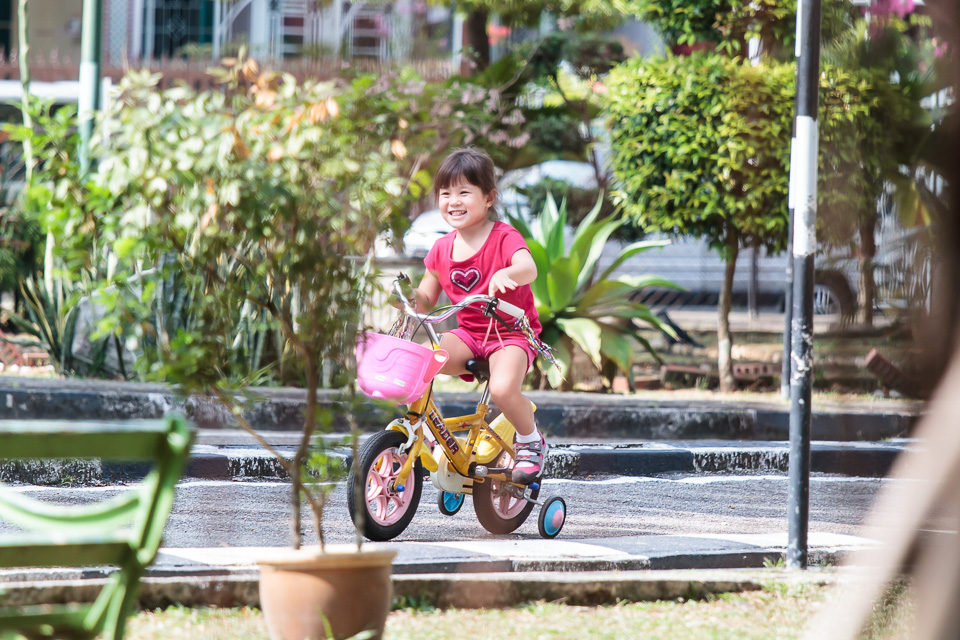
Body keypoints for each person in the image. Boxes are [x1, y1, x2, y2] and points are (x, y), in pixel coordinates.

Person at [408, 147, 547, 484]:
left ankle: (531, 441)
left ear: (489, 198)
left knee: (502, 389)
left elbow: (528, 268)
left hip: (510, 335)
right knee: (417, 364)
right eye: (445, 193)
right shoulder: (441, 248)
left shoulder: (504, 237)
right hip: (469, 335)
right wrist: (406, 298)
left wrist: (508, 273)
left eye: (464, 192)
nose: (453, 201)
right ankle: (421, 434)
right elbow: (425, 298)